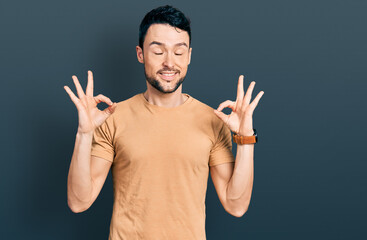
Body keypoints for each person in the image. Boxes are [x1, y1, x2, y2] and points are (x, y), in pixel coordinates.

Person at [64, 5, 264, 240]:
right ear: (140, 54)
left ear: (189, 55)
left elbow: (236, 205)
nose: (169, 62)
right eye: (158, 52)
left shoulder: (213, 120)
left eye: (179, 52)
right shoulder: (113, 117)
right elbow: (79, 202)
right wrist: (84, 134)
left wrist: (246, 139)